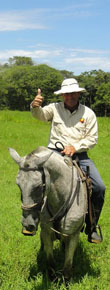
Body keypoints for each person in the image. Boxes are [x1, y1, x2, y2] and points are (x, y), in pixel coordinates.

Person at [30, 78, 105, 244]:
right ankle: (31, 221)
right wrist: (35, 106)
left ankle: (92, 226)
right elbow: (40, 116)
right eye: (66, 94)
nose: (69, 96)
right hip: (54, 153)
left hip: (79, 155)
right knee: (33, 181)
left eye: (72, 93)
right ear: (62, 95)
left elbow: (92, 139)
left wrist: (75, 147)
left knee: (99, 187)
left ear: (78, 93)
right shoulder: (54, 108)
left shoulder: (88, 114)